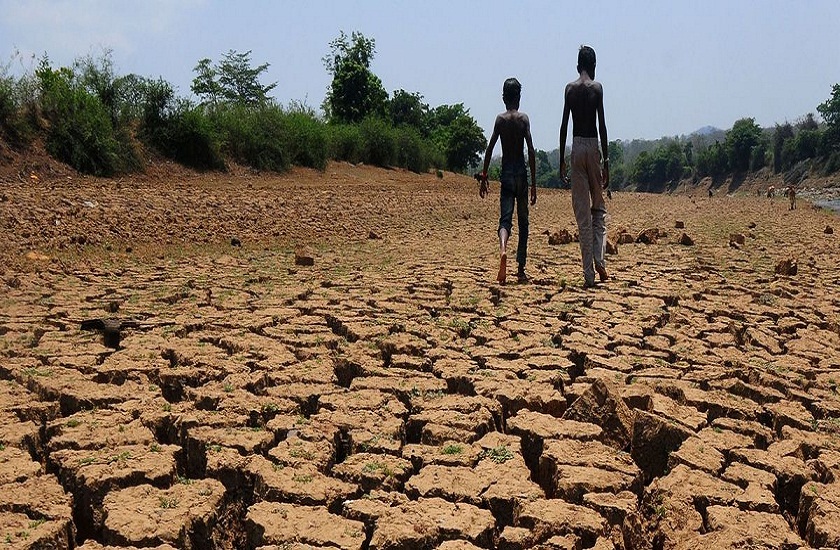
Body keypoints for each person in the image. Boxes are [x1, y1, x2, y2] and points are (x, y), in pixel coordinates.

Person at [558, 45, 609, 288]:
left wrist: (561, 161)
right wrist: (605, 161)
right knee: (598, 207)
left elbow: (563, 126)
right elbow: (602, 126)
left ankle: (589, 273)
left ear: (578, 66)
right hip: (593, 146)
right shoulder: (597, 89)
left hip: (576, 147)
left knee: (582, 215)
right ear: (594, 66)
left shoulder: (570, 89)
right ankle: (600, 258)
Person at [478, 78, 537, 284]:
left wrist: (484, 176)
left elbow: (490, 147)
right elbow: (530, 149)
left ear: (504, 98)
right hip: (521, 173)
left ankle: (503, 249)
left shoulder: (500, 120)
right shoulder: (523, 119)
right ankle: (520, 267)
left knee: (505, 221)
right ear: (518, 98)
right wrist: (534, 184)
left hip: (507, 175)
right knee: (523, 222)